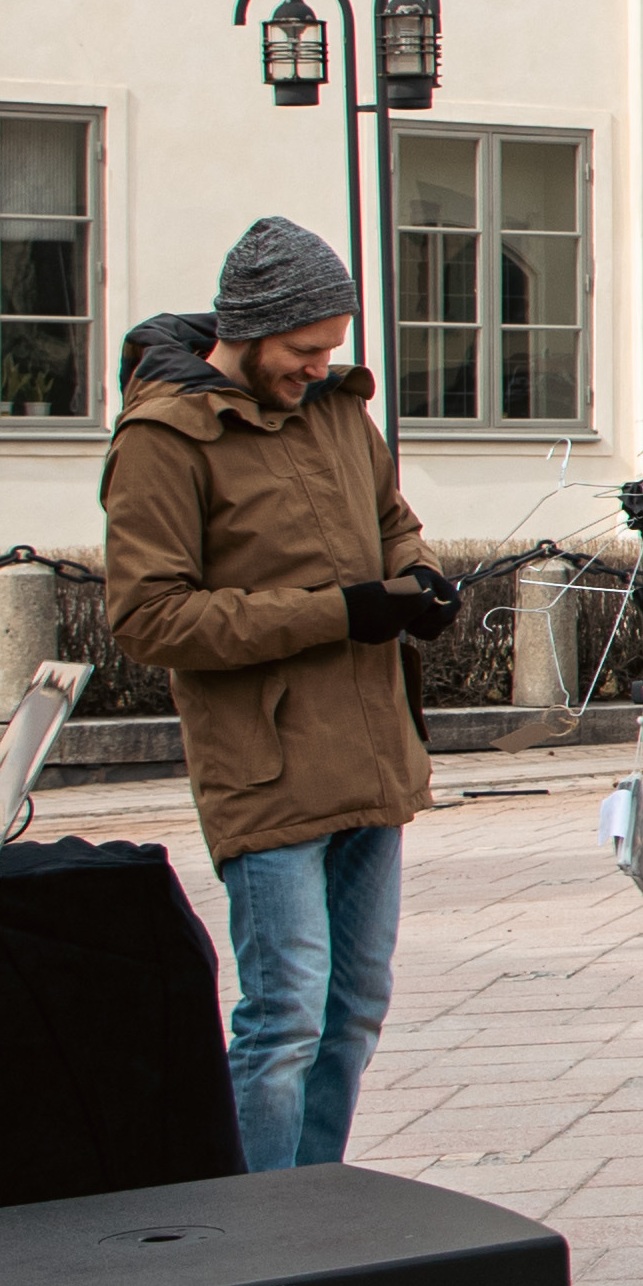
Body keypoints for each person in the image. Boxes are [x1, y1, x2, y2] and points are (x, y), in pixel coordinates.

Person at [103, 215, 454, 1171]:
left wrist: (416, 582)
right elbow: (149, 619)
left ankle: (319, 1205)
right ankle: (256, 1235)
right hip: (266, 770)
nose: (318, 365)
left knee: (354, 1009)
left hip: (372, 751)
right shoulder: (164, 437)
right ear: (252, 333)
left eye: (330, 348)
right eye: (304, 350)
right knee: (284, 1017)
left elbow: (394, 522)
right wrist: (339, 611)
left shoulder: (341, 410)